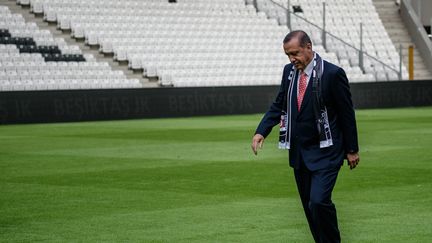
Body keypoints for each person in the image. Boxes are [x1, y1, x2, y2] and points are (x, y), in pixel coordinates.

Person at [251, 30, 360, 243]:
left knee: (318, 202)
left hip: (327, 152)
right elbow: (279, 103)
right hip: (299, 154)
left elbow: (347, 114)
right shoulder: (289, 72)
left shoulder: (332, 73)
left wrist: (352, 149)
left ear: (308, 47)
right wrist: (261, 130)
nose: (292, 59)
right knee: (310, 210)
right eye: (288, 55)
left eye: (295, 53)